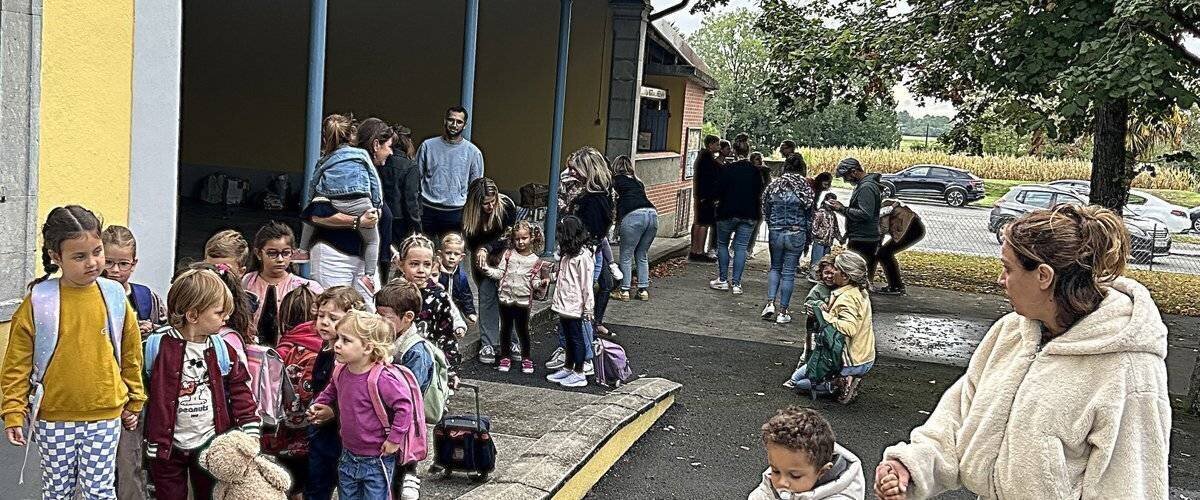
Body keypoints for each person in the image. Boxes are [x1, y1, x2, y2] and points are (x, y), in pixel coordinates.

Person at [874, 205, 1170, 500]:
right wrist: (913, 465)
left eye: (1008, 268)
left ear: (1043, 276)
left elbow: (1132, 486)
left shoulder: (1130, 367)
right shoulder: (1011, 331)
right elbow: (961, 413)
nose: (1001, 280)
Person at [2, 205, 145, 500]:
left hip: (105, 415)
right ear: (57, 257)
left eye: (96, 251)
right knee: (57, 492)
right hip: (52, 418)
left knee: (100, 492)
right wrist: (13, 411)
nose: (92, 262)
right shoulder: (39, 301)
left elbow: (131, 354)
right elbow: (17, 364)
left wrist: (135, 397)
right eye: (79, 256)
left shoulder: (115, 297)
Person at [143, 268, 261, 500]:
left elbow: (240, 390)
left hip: (210, 444)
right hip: (167, 448)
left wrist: (250, 428)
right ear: (193, 315)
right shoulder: (157, 348)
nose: (226, 318)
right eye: (219, 312)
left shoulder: (222, 350)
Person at [307, 310, 424, 500]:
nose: (337, 344)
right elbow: (332, 390)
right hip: (348, 453)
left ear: (368, 348)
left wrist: (394, 440)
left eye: (346, 340)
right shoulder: (341, 371)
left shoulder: (381, 378)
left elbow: (404, 407)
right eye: (338, 338)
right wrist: (320, 403)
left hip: (377, 457)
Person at [304, 118, 394, 308]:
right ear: (376, 144)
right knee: (334, 311)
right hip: (335, 256)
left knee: (367, 314)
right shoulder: (344, 170)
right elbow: (316, 213)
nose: (391, 152)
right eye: (389, 146)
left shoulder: (365, 172)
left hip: (363, 261)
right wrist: (356, 222)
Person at [375, 279, 440, 500]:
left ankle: (409, 477)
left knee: (399, 467)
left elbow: (410, 393)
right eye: (377, 315)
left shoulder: (415, 351)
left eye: (385, 317)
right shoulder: (388, 338)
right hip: (388, 418)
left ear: (408, 317)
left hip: (405, 419)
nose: (379, 321)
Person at [786, 251, 875, 404]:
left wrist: (823, 315)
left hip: (850, 359)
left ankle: (838, 382)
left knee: (799, 383)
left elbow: (850, 328)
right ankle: (841, 379)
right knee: (800, 375)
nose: (833, 274)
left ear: (845, 276)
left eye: (837, 270)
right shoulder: (861, 291)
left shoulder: (847, 298)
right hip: (866, 355)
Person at [305, 286, 368, 500]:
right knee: (316, 486)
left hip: (345, 436)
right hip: (321, 433)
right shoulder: (325, 347)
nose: (324, 322)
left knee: (348, 488)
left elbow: (355, 396)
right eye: (321, 315)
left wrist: (332, 412)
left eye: (333, 318)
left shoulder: (350, 358)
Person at [462, 177, 524, 364]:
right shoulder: (469, 215)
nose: (490, 206)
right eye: (485, 203)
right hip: (483, 260)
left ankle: (512, 341)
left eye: (492, 201)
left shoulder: (507, 207)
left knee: (509, 300)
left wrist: (487, 248)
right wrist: (483, 252)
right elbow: (472, 242)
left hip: (506, 257)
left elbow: (510, 236)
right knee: (487, 299)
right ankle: (488, 342)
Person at [749, 406, 865, 500]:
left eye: (795, 476)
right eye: (775, 471)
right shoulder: (769, 488)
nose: (781, 482)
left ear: (822, 472)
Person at [480, 221, 549, 374]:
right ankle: (505, 357)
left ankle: (526, 358)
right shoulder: (508, 255)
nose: (521, 242)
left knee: (522, 330)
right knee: (505, 328)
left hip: (523, 300)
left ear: (532, 238)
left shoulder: (535, 260)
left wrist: (541, 284)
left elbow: (534, 280)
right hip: (506, 299)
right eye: (517, 239)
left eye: (524, 238)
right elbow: (500, 273)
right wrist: (487, 270)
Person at [564, 147, 617, 336]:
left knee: (578, 307)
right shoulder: (596, 195)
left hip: (585, 254)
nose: (571, 173)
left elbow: (593, 232)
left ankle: (581, 355)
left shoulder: (593, 200)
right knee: (581, 303)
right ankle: (580, 351)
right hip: (588, 252)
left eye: (575, 169)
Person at [242, 222, 324, 345]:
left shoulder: (308, 287)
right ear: (259, 253)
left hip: (292, 350)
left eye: (285, 253)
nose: (280, 259)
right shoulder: (246, 281)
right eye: (272, 253)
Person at [395, 234, 461, 380]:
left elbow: (446, 335)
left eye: (426, 264)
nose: (421, 270)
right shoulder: (391, 294)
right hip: (394, 363)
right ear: (401, 264)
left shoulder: (439, 296)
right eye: (414, 264)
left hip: (429, 363)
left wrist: (450, 371)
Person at [759, 152, 815, 325]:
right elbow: (810, 213)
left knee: (775, 267)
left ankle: (770, 303)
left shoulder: (774, 185)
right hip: (797, 231)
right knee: (789, 273)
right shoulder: (805, 187)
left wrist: (771, 222)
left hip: (776, 230)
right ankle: (783, 311)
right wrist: (808, 236)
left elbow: (765, 206)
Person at [418, 105, 485, 238]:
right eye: (451, 120)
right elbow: (416, 178)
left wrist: (470, 216)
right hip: (427, 210)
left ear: (464, 125)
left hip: (456, 212)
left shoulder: (473, 152)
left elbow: (476, 187)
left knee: (451, 255)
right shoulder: (427, 146)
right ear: (445, 121)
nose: (454, 125)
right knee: (424, 252)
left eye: (459, 122)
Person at [711, 138, 765, 295]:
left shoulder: (728, 169)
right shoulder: (756, 171)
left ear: (734, 151)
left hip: (727, 211)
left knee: (722, 244)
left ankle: (722, 279)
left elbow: (718, 190)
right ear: (748, 152)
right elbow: (760, 191)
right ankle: (736, 284)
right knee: (741, 248)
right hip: (749, 214)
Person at [546, 216, 595, 389]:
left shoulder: (583, 257)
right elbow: (562, 276)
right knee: (568, 337)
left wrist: (588, 309)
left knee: (576, 339)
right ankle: (568, 367)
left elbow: (586, 285)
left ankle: (579, 372)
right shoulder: (567, 255)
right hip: (564, 304)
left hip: (575, 305)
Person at [101, 225, 166, 334]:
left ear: (133, 264)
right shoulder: (89, 295)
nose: (115, 270)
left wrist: (151, 328)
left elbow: (166, 329)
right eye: (108, 262)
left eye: (123, 264)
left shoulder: (147, 297)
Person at [828, 158, 882, 284]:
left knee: (855, 277)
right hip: (862, 237)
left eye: (845, 176)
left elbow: (865, 214)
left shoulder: (866, 187)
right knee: (857, 278)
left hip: (863, 239)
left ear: (853, 172)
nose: (845, 180)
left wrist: (842, 208)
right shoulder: (864, 185)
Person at [611, 155, 658, 301]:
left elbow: (615, 205)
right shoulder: (638, 182)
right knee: (642, 254)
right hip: (652, 214)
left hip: (633, 216)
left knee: (626, 255)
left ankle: (624, 290)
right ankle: (642, 290)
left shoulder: (615, 181)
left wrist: (616, 226)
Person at [379, 124, 423, 245]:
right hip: (401, 220)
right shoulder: (410, 166)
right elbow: (411, 200)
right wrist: (417, 228)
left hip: (380, 214)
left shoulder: (380, 160)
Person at [874, 199, 925, 296]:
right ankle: (896, 285)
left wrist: (878, 242)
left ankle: (896, 286)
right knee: (885, 253)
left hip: (910, 229)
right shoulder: (888, 203)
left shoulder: (883, 207)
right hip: (914, 227)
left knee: (884, 254)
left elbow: (883, 228)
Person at [689, 135, 723, 262]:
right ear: (711, 145)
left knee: (698, 222)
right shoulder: (707, 159)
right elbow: (714, 175)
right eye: (717, 144)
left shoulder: (701, 157)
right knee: (704, 223)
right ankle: (699, 251)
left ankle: (695, 249)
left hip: (700, 195)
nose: (719, 147)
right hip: (706, 196)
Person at [437, 232, 477, 325]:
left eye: (456, 254)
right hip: (436, 309)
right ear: (440, 253)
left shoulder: (462, 276)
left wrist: (470, 312)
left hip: (454, 312)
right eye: (448, 253)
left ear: (461, 257)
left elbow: (466, 296)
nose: (452, 257)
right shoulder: (436, 273)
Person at [809, 193, 845, 281]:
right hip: (820, 241)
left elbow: (836, 228)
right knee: (816, 261)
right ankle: (813, 275)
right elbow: (813, 227)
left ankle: (821, 277)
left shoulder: (833, 215)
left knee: (825, 261)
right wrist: (818, 235)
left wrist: (840, 238)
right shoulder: (820, 213)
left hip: (829, 242)